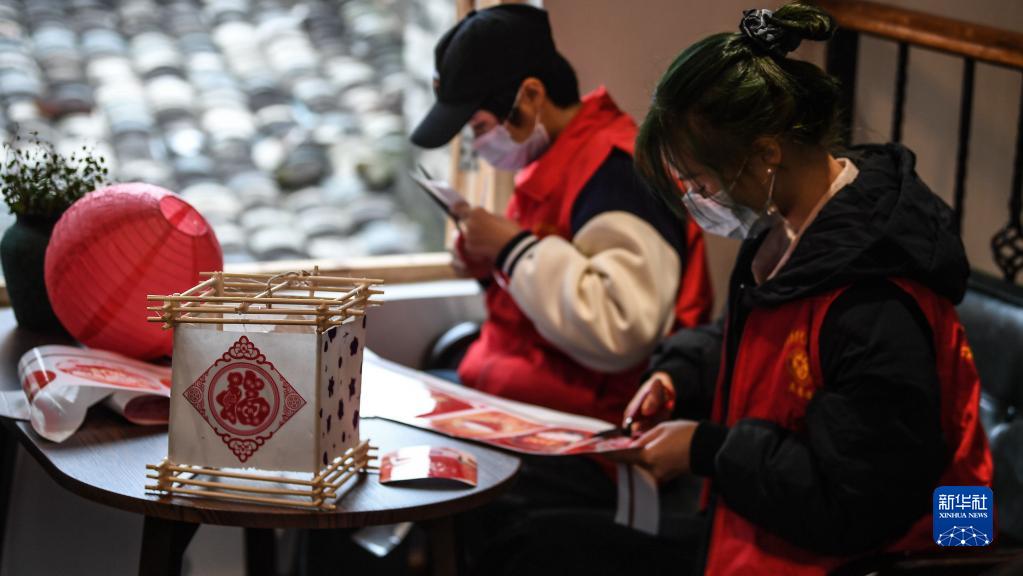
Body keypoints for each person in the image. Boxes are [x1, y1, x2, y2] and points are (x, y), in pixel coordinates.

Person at [612, 2, 994, 575]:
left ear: (767, 154)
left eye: (700, 182)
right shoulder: (784, 229)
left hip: (906, 549)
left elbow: (857, 505)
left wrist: (707, 449)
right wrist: (677, 376)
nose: (696, 200)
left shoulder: (874, 300)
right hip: (768, 528)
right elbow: (753, 342)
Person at [410, 4, 714, 427]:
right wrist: (492, 267)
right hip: (517, 392)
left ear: (531, 96)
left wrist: (513, 250)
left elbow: (622, 328)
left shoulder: (617, 174)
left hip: (588, 421)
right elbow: (545, 296)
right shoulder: (551, 163)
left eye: (480, 127)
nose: (478, 145)